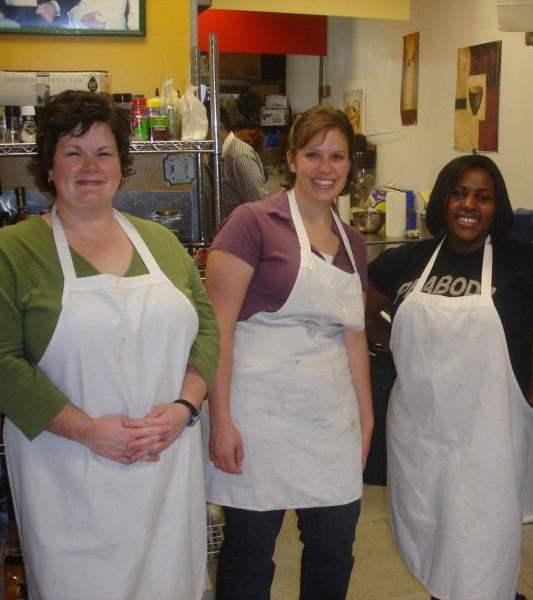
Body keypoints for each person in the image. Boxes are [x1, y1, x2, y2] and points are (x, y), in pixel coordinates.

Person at [0, 90, 220, 599]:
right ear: (49, 168)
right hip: (68, 478)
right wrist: (86, 430)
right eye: (72, 153)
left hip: (165, 473)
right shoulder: (14, 251)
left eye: (103, 153)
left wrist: (184, 407)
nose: (90, 166)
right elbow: (4, 363)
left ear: (122, 166)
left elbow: (206, 331)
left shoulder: (162, 244)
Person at [366, 154, 533, 600]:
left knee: (481, 554)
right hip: (420, 436)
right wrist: (398, 341)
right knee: (434, 545)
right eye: (459, 192)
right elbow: (360, 318)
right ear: (444, 201)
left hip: (487, 443)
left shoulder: (525, 265)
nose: (469, 204)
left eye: (483, 196)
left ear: (497, 208)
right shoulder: (408, 260)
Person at [203, 104, 373, 599]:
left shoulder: (354, 242)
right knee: (251, 552)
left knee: (334, 548)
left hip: (328, 415)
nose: (326, 167)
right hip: (258, 415)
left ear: (349, 165)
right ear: (292, 159)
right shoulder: (251, 222)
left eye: (337, 156)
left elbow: (355, 334)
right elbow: (219, 329)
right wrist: (221, 420)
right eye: (314, 154)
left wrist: (365, 417)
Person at [207, 104, 270, 222]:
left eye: (204, 131)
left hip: (244, 234)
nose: (202, 137)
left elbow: (260, 205)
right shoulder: (220, 155)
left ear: (218, 128)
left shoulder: (238, 155)